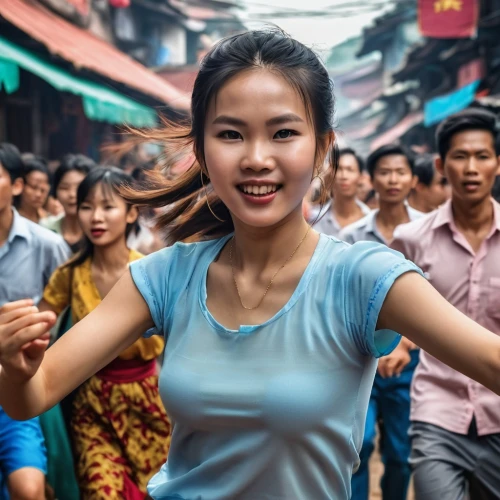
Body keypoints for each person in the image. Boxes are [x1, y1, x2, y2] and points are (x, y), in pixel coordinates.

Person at [1, 30, 500, 500]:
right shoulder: (163, 275)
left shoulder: (365, 278)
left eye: (283, 132)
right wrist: (14, 367)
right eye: (231, 134)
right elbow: (33, 394)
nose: (257, 158)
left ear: (322, 146)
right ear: (201, 149)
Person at [40, 166, 171, 499]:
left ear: (131, 213)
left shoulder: (153, 272)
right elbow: (39, 329)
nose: (95, 217)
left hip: (149, 402)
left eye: (107, 206)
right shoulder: (68, 275)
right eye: (86, 206)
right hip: (91, 406)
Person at [391, 108, 500, 500]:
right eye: (459, 156)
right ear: (440, 164)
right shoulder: (411, 239)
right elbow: (396, 316)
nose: (471, 168)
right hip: (436, 411)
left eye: (482, 156)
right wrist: (400, 346)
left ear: (498, 164)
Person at [340, 144, 423, 500]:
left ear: (413, 179)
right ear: (370, 180)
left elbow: (436, 299)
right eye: (384, 172)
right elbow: (342, 299)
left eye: (400, 172)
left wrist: (405, 344)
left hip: (414, 360)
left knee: (401, 454)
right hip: (361, 355)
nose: (393, 180)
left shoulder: (426, 230)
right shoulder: (351, 237)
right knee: (360, 445)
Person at [0, 143, 70, 499]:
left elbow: (64, 305)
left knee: (29, 488)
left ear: (16, 186)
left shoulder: (47, 244)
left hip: (21, 378)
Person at [41, 154, 96, 252]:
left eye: (79, 187)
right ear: (55, 191)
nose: (72, 194)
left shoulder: (99, 229)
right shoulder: (44, 229)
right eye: (64, 188)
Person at [313, 147, 370, 238]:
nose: (344, 176)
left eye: (350, 170)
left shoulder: (369, 221)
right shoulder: (314, 218)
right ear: (331, 174)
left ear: (361, 177)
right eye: (339, 169)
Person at [16, 154, 51, 224]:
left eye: (43, 190)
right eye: (33, 187)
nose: (38, 194)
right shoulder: (11, 218)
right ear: (21, 185)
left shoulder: (49, 220)